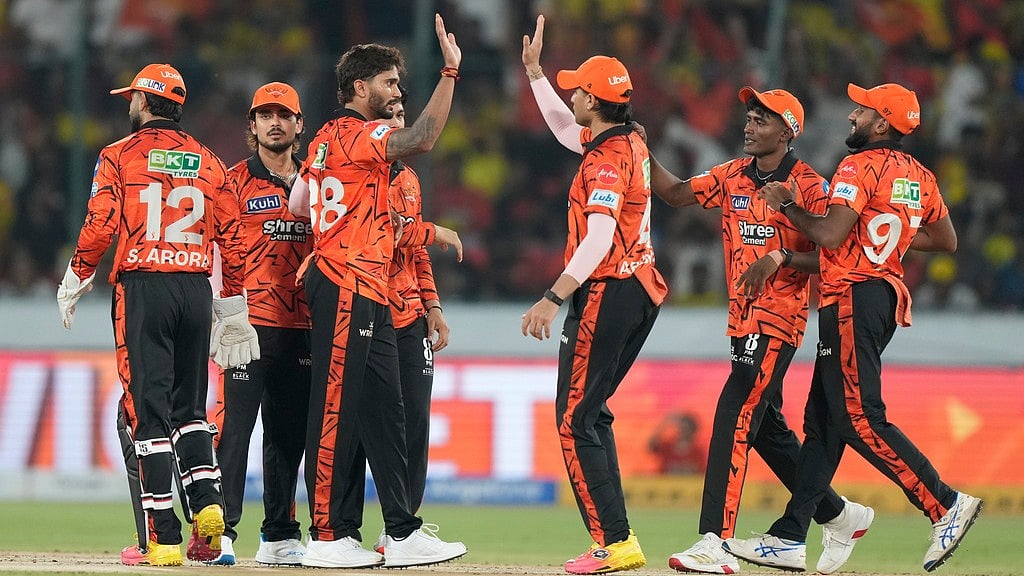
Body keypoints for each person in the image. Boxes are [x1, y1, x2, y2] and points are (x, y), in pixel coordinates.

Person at [724, 83, 981, 573]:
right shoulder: (920, 176)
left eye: (861, 110)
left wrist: (786, 205)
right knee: (823, 423)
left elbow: (828, 234)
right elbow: (945, 239)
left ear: (881, 123)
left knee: (859, 417)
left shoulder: (857, 166)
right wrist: (890, 234)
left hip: (852, 297)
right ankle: (789, 537)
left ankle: (945, 504)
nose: (851, 116)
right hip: (880, 296)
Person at [645, 86, 874, 575]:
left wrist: (782, 257)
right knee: (767, 429)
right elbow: (676, 193)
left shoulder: (810, 185)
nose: (749, 126)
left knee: (734, 409)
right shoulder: (732, 174)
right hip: (741, 319)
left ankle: (715, 540)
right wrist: (641, 150)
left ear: (788, 132)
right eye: (749, 118)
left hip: (779, 319)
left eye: (761, 120)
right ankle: (839, 514)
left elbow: (837, 256)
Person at [56, 63, 258, 566]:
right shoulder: (210, 161)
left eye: (132, 97)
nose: (129, 104)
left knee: (147, 414)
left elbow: (100, 223)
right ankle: (208, 506)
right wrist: (232, 303)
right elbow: (234, 239)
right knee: (191, 411)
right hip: (195, 289)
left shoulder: (118, 155)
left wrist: (77, 274)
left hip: (144, 287)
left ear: (144, 102)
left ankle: (163, 538)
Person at [287, 15, 466, 569]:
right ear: (360, 88)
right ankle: (327, 535)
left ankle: (402, 532)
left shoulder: (326, 141)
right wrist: (450, 73)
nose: (397, 91)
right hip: (346, 279)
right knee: (335, 407)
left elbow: (298, 204)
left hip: (368, 284)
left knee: (387, 410)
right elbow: (423, 137)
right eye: (390, 82)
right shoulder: (354, 132)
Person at [521, 16, 667, 575]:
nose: (571, 97)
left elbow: (600, 238)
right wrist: (535, 74)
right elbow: (565, 129)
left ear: (593, 100)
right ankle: (618, 537)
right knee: (591, 414)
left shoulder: (605, 161)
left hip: (609, 290)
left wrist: (553, 296)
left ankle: (613, 542)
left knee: (574, 419)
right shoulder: (626, 141)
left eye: (577, 90)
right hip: (638, 289)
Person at [205, 81, 313, 566]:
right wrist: (220, 314)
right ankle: (220, 534)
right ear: (252, 124)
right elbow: (213, 251)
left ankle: (279, 535)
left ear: (298, 124)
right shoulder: (231, 183)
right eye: (265, 115)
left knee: (288, 436)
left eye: (283, 115)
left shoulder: (317, 183)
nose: (275, 123)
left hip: (303, 326)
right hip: (246, 326)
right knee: (233, 431)